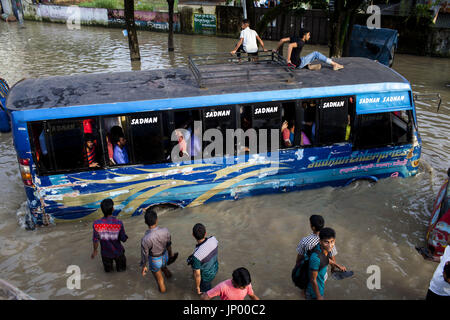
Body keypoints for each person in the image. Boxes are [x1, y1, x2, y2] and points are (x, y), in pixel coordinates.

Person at [140, 209, 179, 293]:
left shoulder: (145, 239)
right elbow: (169, 244)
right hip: (164, 256)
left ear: (145, 222)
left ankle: (163, 296)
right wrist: (170, 254)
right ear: (157, 219)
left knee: (160, 281)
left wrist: (144, 266)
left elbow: (145, 255)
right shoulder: (165, 231)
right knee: (164, 267)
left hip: (155, 259)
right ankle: (170, 278)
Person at [273, 29, 344, 71]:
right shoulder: (301, 42)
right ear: (304, 36)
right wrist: (288, 60)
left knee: (305, 58)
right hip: (297, 64)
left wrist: (276, 50)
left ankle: (308, 65)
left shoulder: (295, 38)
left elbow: (282, 40)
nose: (309, 36)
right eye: (308, 35)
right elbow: (290, 45)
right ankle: (335, 64)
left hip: (296, 61)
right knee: (316, 54)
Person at [91, 199, 128, 272]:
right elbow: (123, 239)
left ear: (102, 210)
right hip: (118, 252)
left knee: (109, 272)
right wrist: (126, 237)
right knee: (122, 271)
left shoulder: (96, 223)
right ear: (113, 209)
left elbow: (95, 240)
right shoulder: (118, 223)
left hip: (105, 254)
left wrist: (95, 250)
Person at [305, 227, 341, 300]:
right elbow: (313, 280)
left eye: (332, 241)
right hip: (313, 293)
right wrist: (318, 296)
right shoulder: (315, 258)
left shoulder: (322, 249)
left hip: (320, 286)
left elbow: (325, 258)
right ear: (320, 241)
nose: (330, 245)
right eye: (326, 242)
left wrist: (337, 265)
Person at [187, 223, 219, 295]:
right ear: (205, 233)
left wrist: (198, 287)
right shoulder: (213, 239)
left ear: (193, 235)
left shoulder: (196, 256)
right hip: (215, 268)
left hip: (206, 277)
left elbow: (197, 275)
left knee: (206, 294)